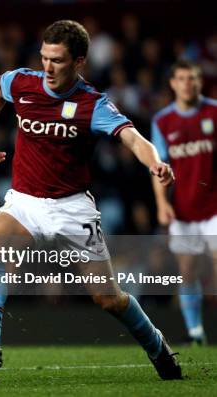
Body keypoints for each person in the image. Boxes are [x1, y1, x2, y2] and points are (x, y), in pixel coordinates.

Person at [0, 20, 182, 380]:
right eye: (44, 57)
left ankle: (156, 344)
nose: (47, 67)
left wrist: (155, 162)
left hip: (71, 209)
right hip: (26, 201)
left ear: (78, 62)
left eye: (57, 60)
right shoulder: (23, 82)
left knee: (108, 298)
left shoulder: (92, 103)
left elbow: (133, 138)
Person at [151, 59, 217, 346]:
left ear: (199, 82)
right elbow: (157, 166)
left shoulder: (214, 113)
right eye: (182, 78)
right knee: (188, 270)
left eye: (192, 78)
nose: (187, 83)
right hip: (183, 210)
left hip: (214, 207)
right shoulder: (163, 121)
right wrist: (161, 204)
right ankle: (195, 332)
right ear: (173, 83)